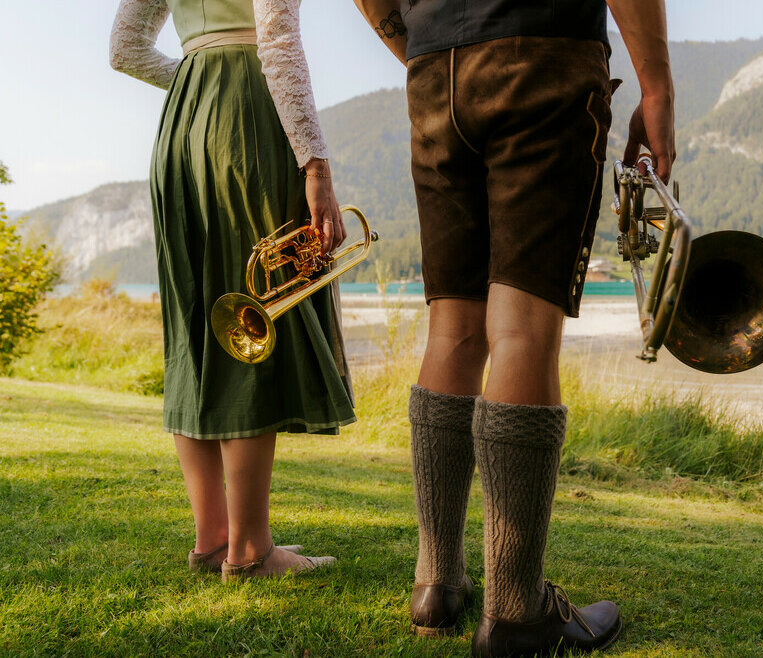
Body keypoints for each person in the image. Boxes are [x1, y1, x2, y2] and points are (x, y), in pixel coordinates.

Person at [353, 1, 675, 654]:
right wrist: (657, 87)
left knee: (453, 327)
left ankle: (436, 582)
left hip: (434, 69)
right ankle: (515, 609)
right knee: (522, 330)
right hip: (543, 52)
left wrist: (428, 47)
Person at [110, 0, 355, 580]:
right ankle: (249, 550)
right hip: (244, 118)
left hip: (182, 128)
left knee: (195, 326)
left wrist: (196, 78)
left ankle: (213, 538)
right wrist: (316, 166)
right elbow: (277, 40)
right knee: (250, 312)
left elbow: (124, 49)